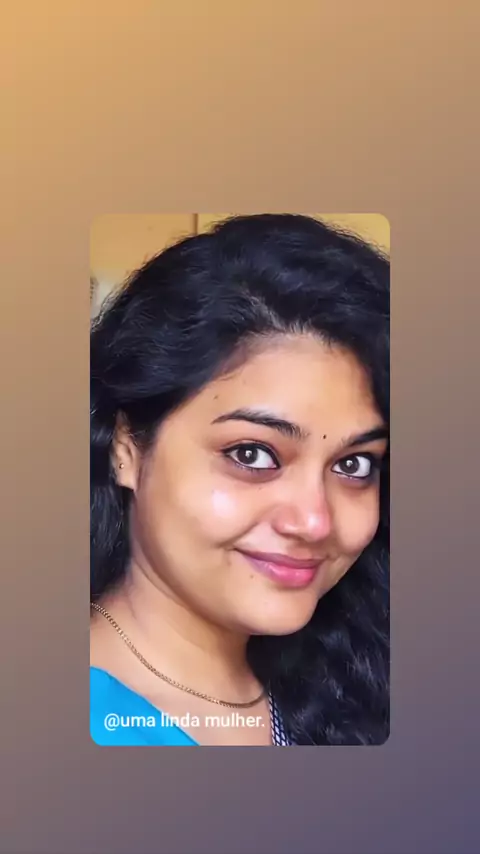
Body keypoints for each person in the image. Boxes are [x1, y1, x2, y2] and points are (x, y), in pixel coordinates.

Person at [90, 213, 390, 746]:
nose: (314, 522)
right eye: (252, 454)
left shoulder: (354, 679)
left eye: (354, 465)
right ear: (126, 448)